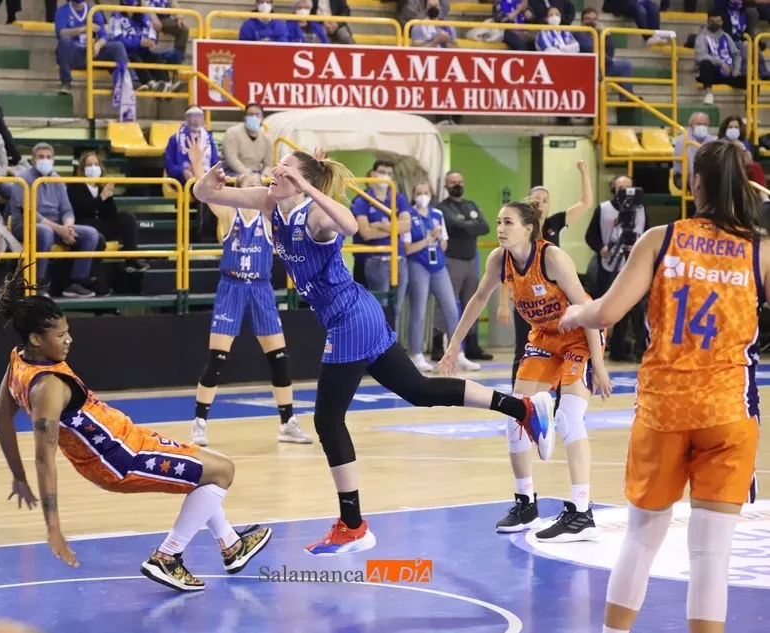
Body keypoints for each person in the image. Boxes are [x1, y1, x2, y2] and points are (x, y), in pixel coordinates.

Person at [192, 151, 557, 556]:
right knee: (418, 390)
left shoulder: (315, 215)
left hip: (351, 317)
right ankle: (522, 408)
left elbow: (349, 224)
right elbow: (206, 192)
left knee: (328, 421)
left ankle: (353, 525)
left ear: (301, 181)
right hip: (349, 315)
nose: (274, 170)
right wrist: (208, 179)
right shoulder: (269, 202)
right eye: (275, 165)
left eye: (285, 168)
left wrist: (309, 187)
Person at [559, 139, 767, 633]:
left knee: (641, 539)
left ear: (694, 183)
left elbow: (607, 312)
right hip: (728, 408)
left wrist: (575, 314)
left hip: (664, 408)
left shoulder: (661, 237)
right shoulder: (758, 249)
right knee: (712, 554)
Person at [0, 264, 273, 592]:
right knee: (222, 471)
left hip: (126, 440)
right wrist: (53, 527)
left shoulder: (19, 359)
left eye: (67, 330)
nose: (69, 339)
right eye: (60, 334)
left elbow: (0, 419)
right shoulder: (48, 387)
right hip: (120, 459)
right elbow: (44, 458)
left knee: (202, 472)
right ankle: (168, 557)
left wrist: (17, 474)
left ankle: (231, 544)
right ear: (37, 339)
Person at [439, 197, 612, 541]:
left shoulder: (552, 258)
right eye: (499, 222)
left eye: (508, 223)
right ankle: (526, 502)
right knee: (516, 415)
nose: (501, 229)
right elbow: (477, 299)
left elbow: (588, 310)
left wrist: (601, 364)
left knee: (569, 419)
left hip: (579, 335)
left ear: (528, 229)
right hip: (544, 338)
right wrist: (453, 344)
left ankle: (581, 512)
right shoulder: (497, 259)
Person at [184, 139, 311, 446]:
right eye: (251, 182)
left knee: (279, 358)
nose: (258, 185)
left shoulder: (271, 216)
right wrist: (200, 165)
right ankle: (199, 422)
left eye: (260, 181)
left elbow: (298, 205)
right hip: (232, 286)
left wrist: (306, 180)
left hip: (261, 288)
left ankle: (287, 422)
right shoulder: (231, 216)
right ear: (240, 188)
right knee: (217, 358)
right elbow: (207, 194)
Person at [501, 160, 594, 387]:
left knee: (563, 345)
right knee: (522, 345)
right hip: (527, 299)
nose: (541, 204)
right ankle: (519, 396)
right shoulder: (517, 234)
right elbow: (506, 272)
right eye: (536, 200)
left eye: (545, 200)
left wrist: (584, 171)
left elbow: (586, 202)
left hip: (555, 300)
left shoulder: (555, 223)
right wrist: (503, 304)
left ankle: (562, 389)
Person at [403, 181, 462, 372]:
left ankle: (456, 353)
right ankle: (417, 353)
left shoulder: (437, 215)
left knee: (452, 308)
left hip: (438, 265)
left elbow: (444, 246)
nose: (423, 195)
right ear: (413, 194)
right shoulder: (407, 215)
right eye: (419, 192)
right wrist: (427, 239)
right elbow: (408, 248)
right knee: (418, 310)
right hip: (418, 263)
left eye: (426, 192)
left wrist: (437, 236)